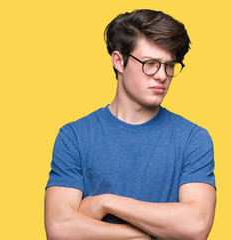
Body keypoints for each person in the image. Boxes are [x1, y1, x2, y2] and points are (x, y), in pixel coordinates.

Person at [44, 9, 216, 240]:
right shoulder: (74, 136)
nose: (162, 76)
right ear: (119, 61)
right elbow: (60, 230)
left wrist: (106, 202)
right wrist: (148, 235)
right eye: (151, 63)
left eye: (169, 65)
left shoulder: (193, 138)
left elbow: (195, 227)